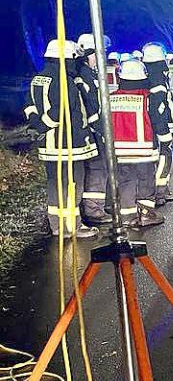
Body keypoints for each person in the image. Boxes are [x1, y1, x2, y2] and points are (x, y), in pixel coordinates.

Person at [24, 40, 99, 238]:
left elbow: (29, 105)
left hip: (49, 144)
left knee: (54, 185)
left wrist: (36, 124)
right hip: (68, 143)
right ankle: (73, 226)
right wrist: (43, 124)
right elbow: (61, 111)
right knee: (73, 184)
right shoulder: (63, 81)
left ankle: (57, 225)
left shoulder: (38, 78)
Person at [110, 60, 170, 227]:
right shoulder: (148, 97)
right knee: (145, 181)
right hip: (144, 149)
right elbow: (157, 119)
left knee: (125, 182)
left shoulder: (111, 98)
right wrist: (165, 140)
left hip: (119, 150)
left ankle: (128, 216)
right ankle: (146, 214)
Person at [75, 33, 112, 226]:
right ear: (90, 53)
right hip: (93, 132)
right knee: (97, 169)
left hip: (93, 130)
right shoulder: (85, 75)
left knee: (100, 168)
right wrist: (101, 129)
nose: (102, 57)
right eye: (99, 53)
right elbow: (91, 106)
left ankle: (98, 205)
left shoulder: (87, 73)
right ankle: (94, 211)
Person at [142, 42, 173, 205]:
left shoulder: (147, 76)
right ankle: (160, 191)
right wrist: (164, 132)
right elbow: (159, 108)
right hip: (160, 128)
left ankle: (158, 190)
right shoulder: (158, 81)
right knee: (165, 157)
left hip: (149, 127)